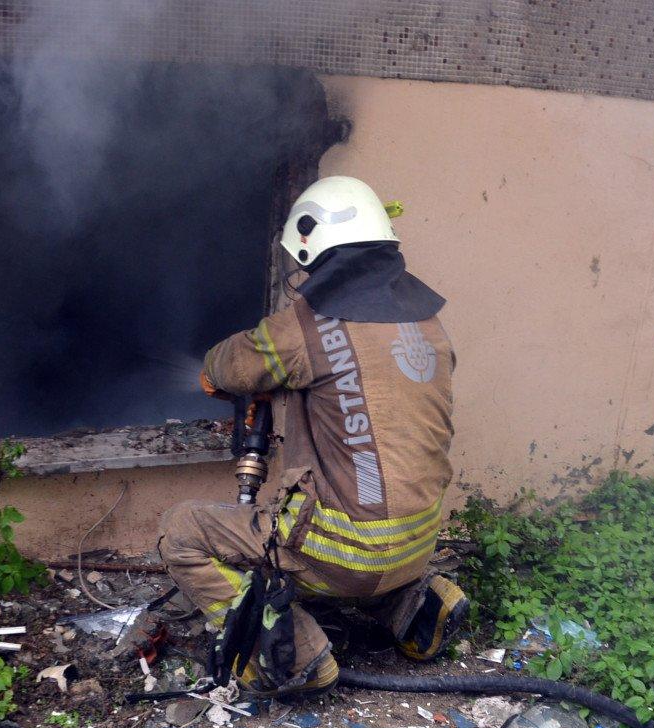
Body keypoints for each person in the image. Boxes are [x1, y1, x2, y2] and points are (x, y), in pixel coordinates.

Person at [158, 175, 466, 698]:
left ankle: (289, 653)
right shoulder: (429, 326)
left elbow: (229, 367)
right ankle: (412, 601)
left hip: (343, 553)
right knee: (361, 551)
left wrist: (210, 374)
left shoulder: (303, 326)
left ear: (312, 247)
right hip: (419, 540)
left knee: (181, 530)